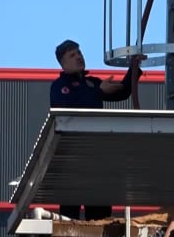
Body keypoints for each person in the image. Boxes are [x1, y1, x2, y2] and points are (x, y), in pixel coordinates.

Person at [50, 39, 144, 220]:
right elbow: (67, 109)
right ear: (63, 63)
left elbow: (123, 91)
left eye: (79, 53)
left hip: (96, 160)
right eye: (72, 55)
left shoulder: (92, 83)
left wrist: (134, 67)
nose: (79, 57)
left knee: (100, 216)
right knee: (70, 217)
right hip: (72, 162)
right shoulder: (59, 87)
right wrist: (97, 91)